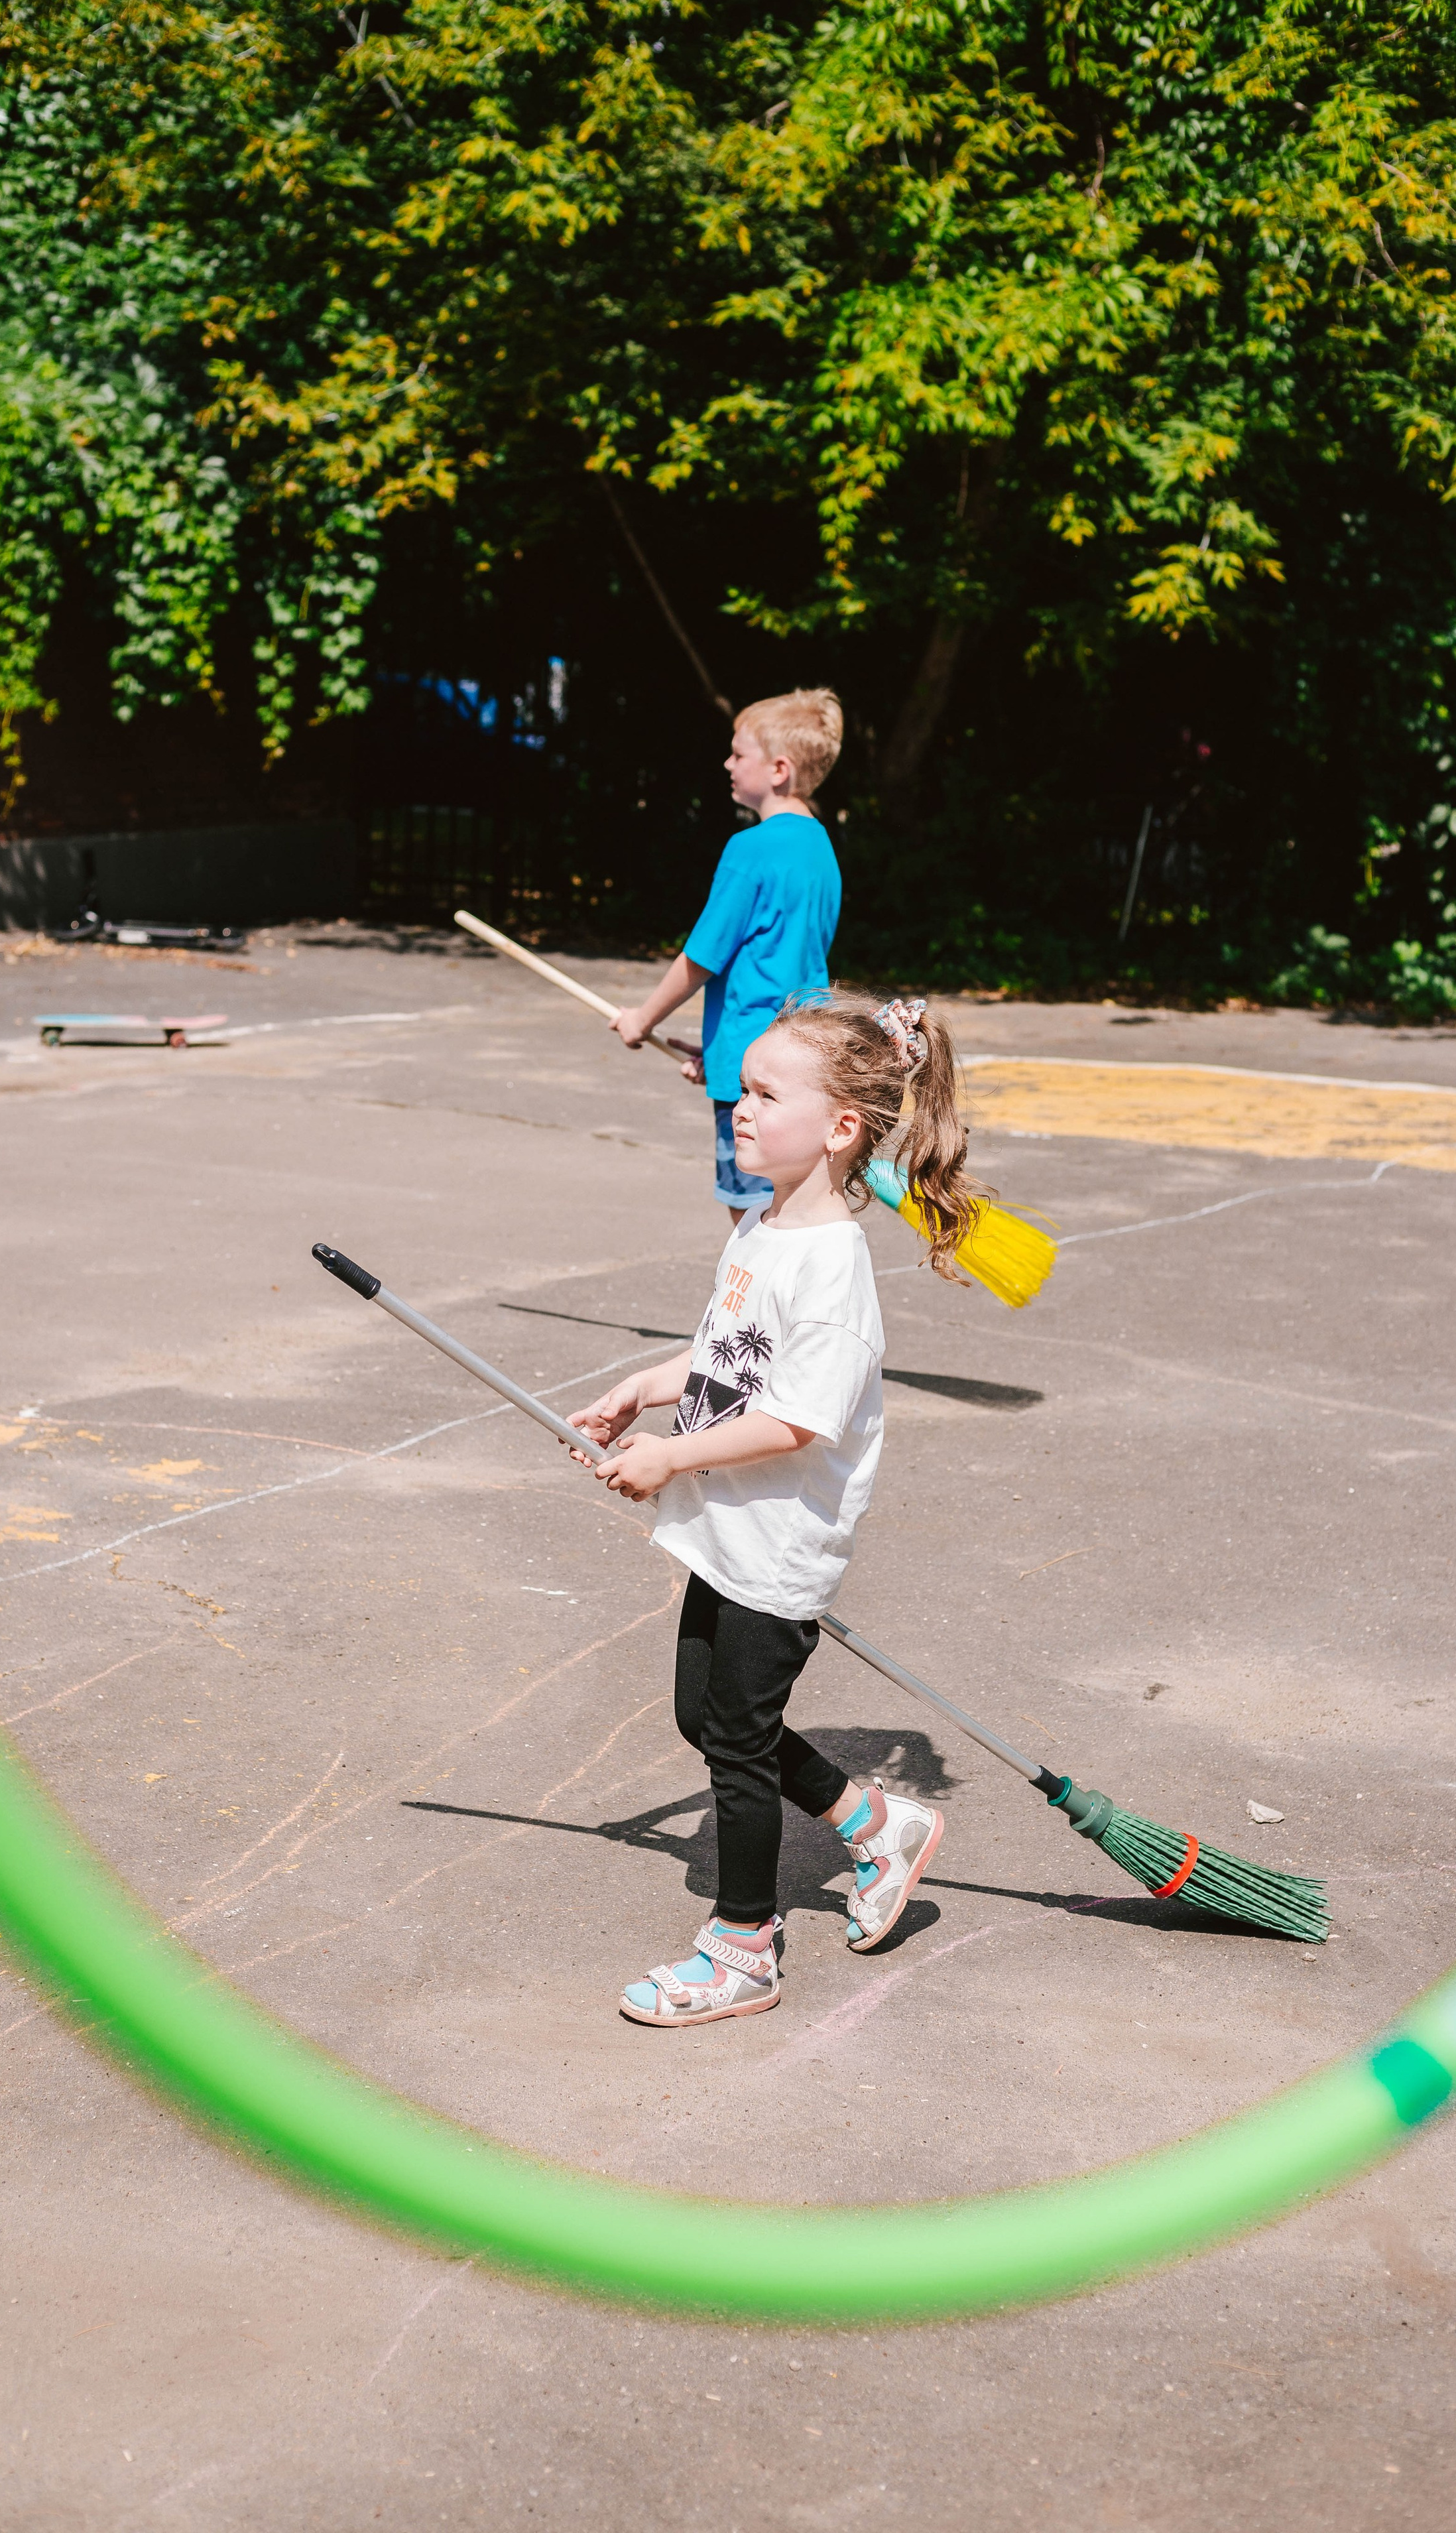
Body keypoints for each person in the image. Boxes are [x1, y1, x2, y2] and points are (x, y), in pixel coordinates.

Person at [566, 990, 982, 2026]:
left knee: (737, 1744)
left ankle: (745, 1949)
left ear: (843, 1128)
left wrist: (671, 1460)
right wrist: (645, 1389)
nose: (738, 1108)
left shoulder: (834, 1267)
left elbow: (796, 1422)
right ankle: (874, 1823)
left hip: (779, 1538)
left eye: (763, 1093)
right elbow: (728, 1356)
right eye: (739, 1090)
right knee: (702, 1717)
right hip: (729, 1524)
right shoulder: (763, 1226)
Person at [610, 688, 843, 1224]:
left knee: (754, 1221)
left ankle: (755, 1312)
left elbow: (702, 958)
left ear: (779, 769)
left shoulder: (750, 849)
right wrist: (716, 1052)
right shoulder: (821, 847)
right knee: (794, 1211)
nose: (728, 763)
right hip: (805, 1057)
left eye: (739, 754)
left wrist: (642, 1019)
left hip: (755, 1068)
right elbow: (784, 962)